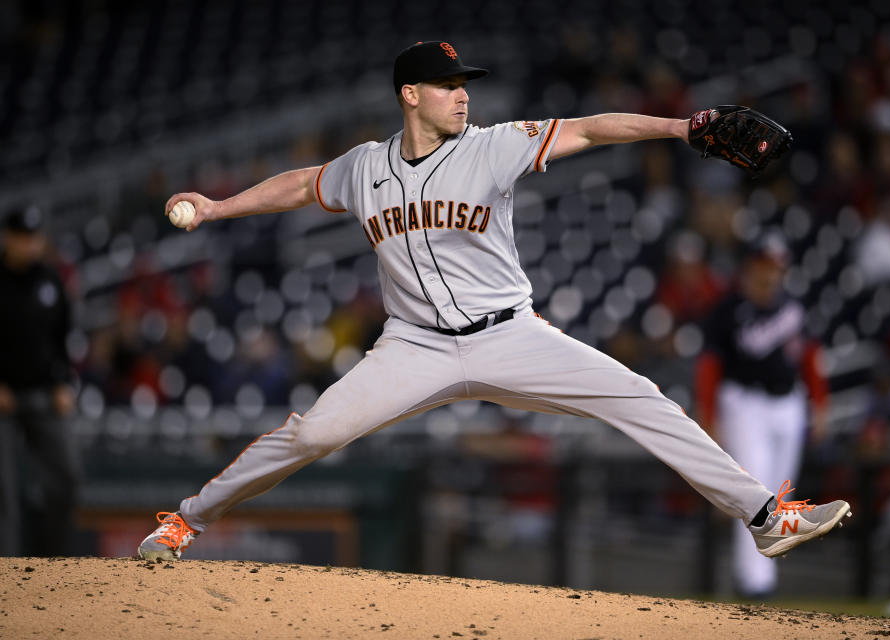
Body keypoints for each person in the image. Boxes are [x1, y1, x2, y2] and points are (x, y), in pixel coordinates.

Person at [138, 41, 851, 563]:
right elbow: (299, 185)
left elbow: (591, 127)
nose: (462, 93)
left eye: (464, 83)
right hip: (413, 346)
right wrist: (219, 205)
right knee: (315, 435)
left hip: (511, 335)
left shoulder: (493, 146)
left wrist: (676, 128)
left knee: (639, 397)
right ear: (409, 94)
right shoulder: (364, 168)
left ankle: (764, 515)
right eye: (447, 84)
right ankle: (186, 522)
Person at [694, 232, 829, 598]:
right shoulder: (727, 309)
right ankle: (754, 583)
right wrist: (709, 414)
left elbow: (812, 357)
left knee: (780, 494)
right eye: (765, 267)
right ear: (750, 268)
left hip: (788, 403)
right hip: (745, 404)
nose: (771, 275)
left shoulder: (793, 307)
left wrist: (819, 404)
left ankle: (762, 577)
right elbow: (709, 366)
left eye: (777, 268)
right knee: (753, 489)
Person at [0, 206, 81, 556]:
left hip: (44, 394)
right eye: (22, 237)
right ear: (8, 237)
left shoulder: (49, 281)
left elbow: (63, 337)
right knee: (3, 491)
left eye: (34, 238)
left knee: (67, 477)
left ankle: (52, 566)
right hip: (2, 399)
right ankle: (5, 567)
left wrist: (63, 381)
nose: (29, 245)